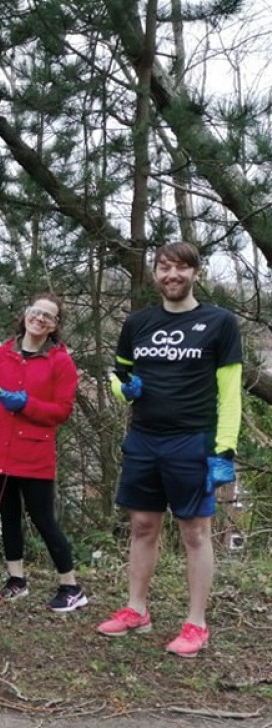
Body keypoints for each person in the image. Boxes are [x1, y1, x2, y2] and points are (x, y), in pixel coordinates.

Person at [98, 242, 242, 658]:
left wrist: (225, 450)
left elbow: (230, 393)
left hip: (192, 439)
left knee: (195, 532)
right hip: (143, 438)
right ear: (155, 274)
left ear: (195, 272)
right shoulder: (139, 323)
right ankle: (136, 610)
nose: (172, 275)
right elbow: (118, 375)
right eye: (164, 268)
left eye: (181, 268)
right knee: (142, 525)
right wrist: (124, 389)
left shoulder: (219, 322)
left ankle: (197, 624)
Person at [0, 294, 86, 612]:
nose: (40, 318)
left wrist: (27, 405)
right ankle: (16, 580)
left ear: (55, 325)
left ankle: (71, 585)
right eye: (36, 312)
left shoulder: (61, 361)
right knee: (8, 518)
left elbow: (62, 410)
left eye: (49, 316)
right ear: (26, 314)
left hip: (33, 454)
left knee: (44, 519)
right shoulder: (1, 356)